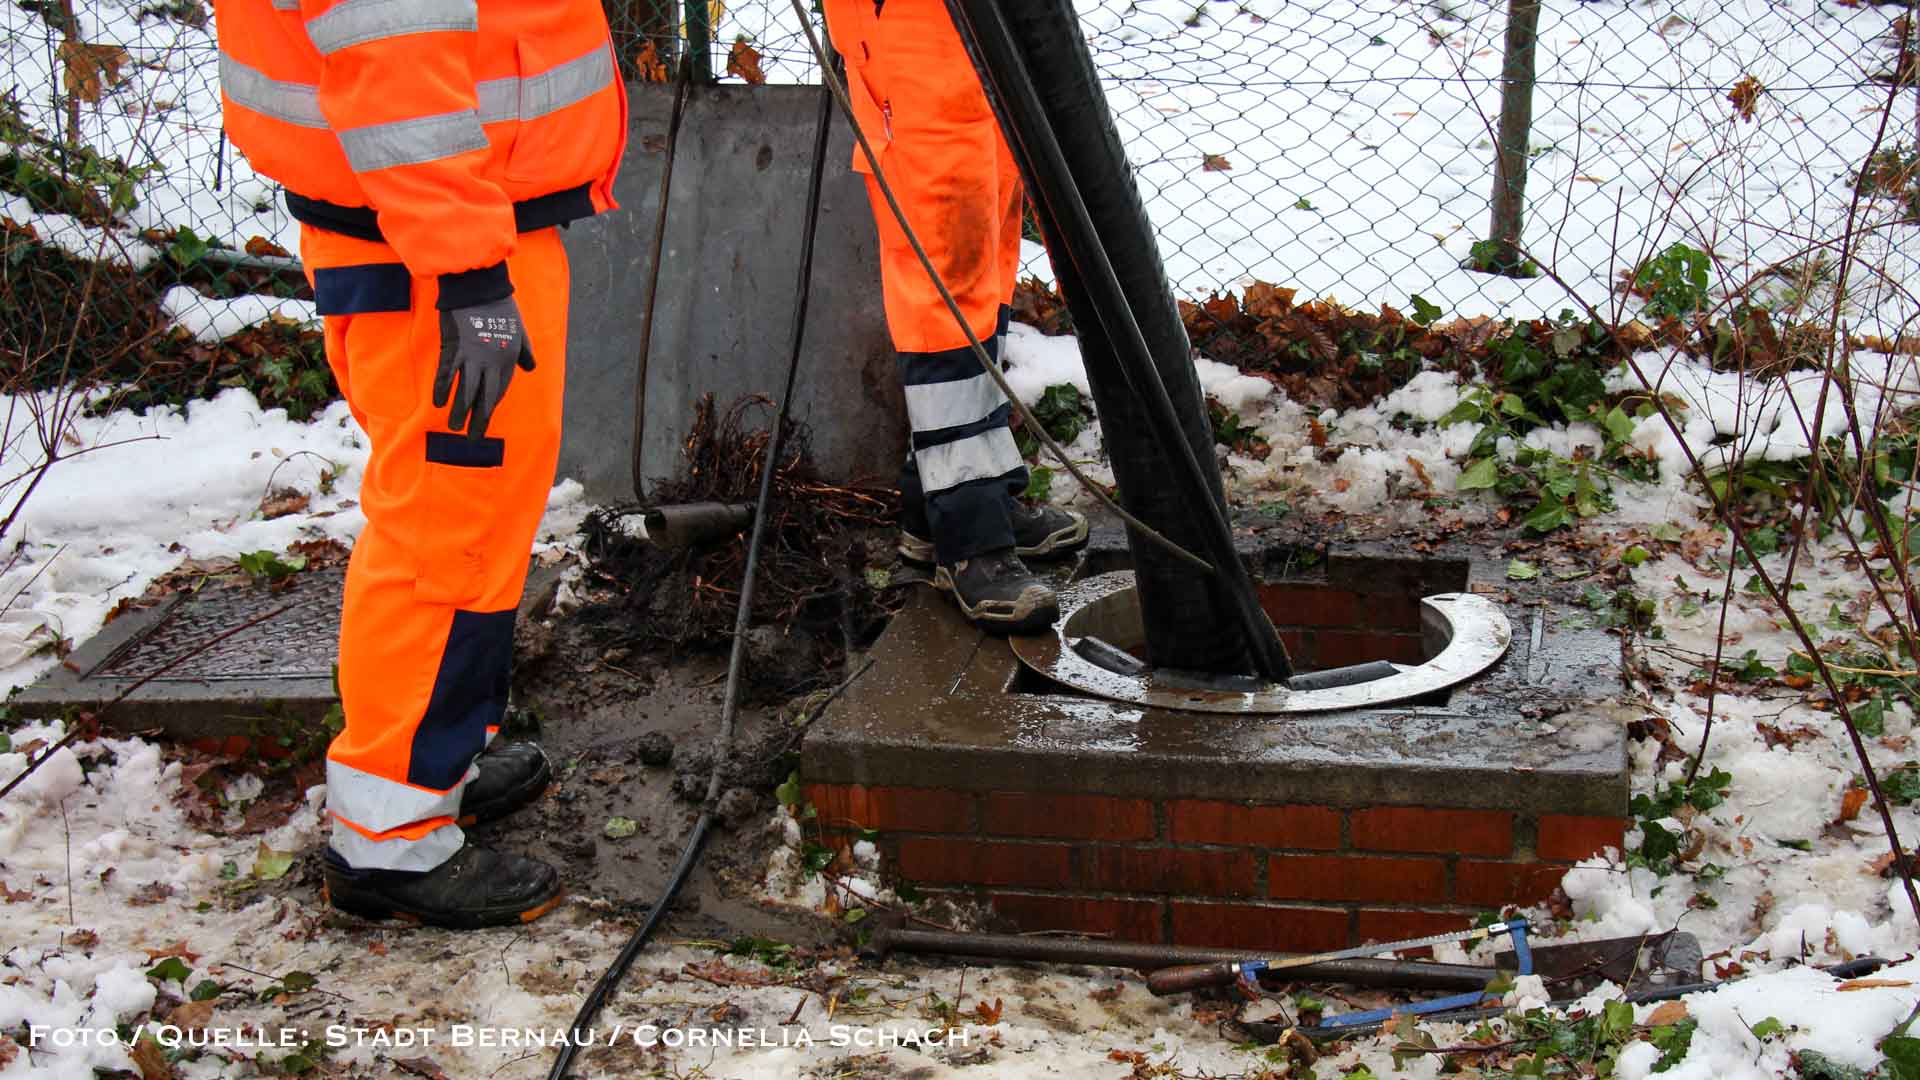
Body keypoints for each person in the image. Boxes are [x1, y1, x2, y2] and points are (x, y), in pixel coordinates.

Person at [214, 0, 626, 928]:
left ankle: (435, 762)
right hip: (437, 246)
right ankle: (389, 838)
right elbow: (393, 61)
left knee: (478, 518)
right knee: (445, 534)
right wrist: (470, 275)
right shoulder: (452, 246)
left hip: (441, 229)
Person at [819, 0, 1088, 634]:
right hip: (916, 42)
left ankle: (946, 503)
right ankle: (967, 538)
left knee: (983, 274)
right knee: (945, 299)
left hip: (985, 41)